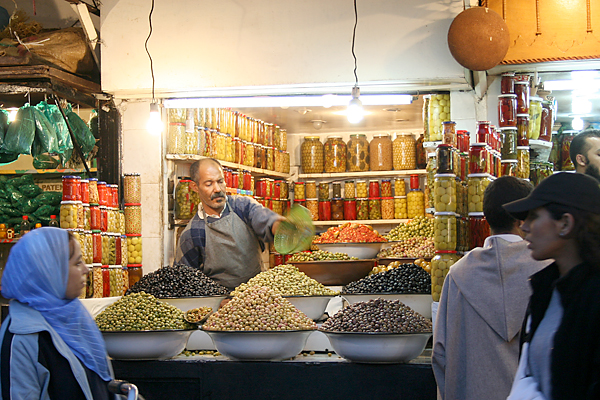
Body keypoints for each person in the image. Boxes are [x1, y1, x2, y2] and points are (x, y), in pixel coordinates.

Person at [432, 176, 551, 400]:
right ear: (523, 219)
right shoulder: (549, 270)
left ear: (485, 218)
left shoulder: (458, 275)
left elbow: (440, 354)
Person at [503, 172, 600, 400]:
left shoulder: (593, 297)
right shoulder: (545, 289)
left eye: (534, 216)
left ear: (565, 223)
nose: (524, 226)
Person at [0, 228, 115, 399]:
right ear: (49, 271)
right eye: (77, 263)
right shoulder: (22, 337)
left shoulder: (76, 317)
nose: (86, 269)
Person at [175, 158, 284, 290]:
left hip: (259, 296)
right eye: (209, 184)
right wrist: (216, 300)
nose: (217, 189)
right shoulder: (192, 234)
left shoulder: (242, 206)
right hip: (221, 304)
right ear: (195, 187)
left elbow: (264, 220)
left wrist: (279, 226)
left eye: (220, 181)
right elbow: (186, 284)